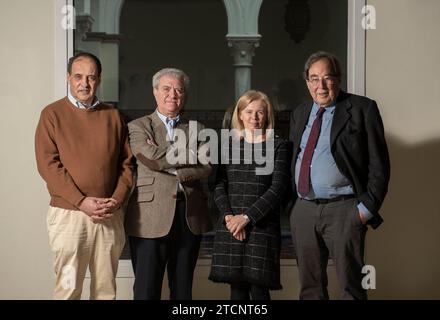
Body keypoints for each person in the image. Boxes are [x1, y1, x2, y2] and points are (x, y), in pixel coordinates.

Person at [289, 51, 390, 299]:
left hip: (344, 210)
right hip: (304, 210)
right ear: (307, 82)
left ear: (339, 78)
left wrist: (364, 211)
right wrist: (292, 208)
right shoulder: (300, 113)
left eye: (327, 77)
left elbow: (380, 165)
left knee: (351, 288)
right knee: (310, 288)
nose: (320, 85)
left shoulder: (362, 109)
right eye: (314, 78)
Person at [35, 52, 133, 299]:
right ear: (68, 78)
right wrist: (81, 201)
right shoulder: (52, 114)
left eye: (91, 77)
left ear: (98, 80)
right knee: (68, 290)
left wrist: (117, 200)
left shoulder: (113, 116)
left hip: (108, 214)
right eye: (78, 77)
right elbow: (48, 165)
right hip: (69, 216)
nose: (84, 83)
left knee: (105, 292)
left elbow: (127, 164)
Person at [125, 68, 212, 300]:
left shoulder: (198, 129)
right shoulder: (138, 126)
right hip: (149, 218)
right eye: (166, 88)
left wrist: (169, 162)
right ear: (155, 92)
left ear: (184, 95)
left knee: (183, 292)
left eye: (179, 90)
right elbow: (150, 158)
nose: (172, 94)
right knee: (146, 291)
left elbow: (206, 166)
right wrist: (188, 153)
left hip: (189, 217)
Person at [209, 90, 290, 300]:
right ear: (240, 115)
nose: (254, 117)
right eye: (249, 111)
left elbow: (278, 188)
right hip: (231, 226)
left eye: (260, 112)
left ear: (267, 115)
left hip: (261, 227)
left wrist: (246, 218)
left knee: (259, 290)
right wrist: (229, 217)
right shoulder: (227, 145)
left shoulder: (279, 145)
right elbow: (218, 183)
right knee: (236, 290)